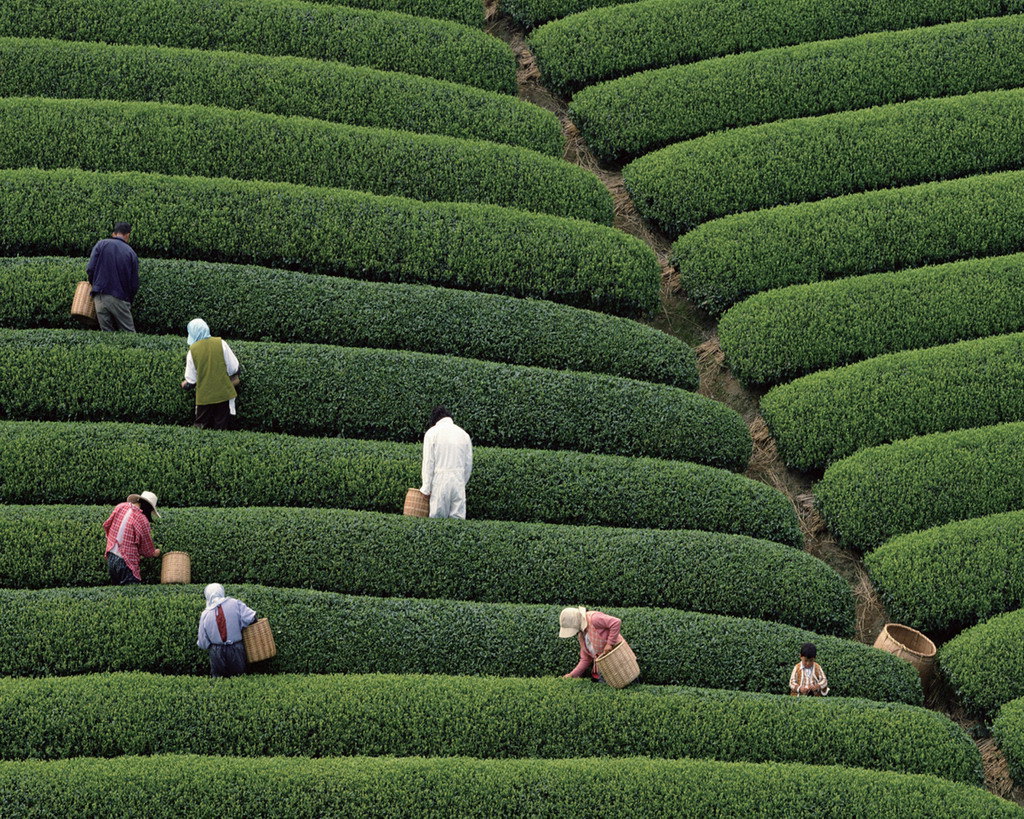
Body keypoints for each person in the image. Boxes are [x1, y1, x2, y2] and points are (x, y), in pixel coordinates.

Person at [180, 318, 240, 430]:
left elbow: (191, 381)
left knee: (201, 428)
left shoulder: (192, 350)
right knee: (221, 429)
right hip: (223, 394)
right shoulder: (221, 343)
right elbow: (234, 368)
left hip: (204, 397)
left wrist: (184, 384)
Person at [419, 406, 472, 519]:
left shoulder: (432, 433)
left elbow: (429, 463)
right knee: (458, 521)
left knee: (437, 521)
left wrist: (426, 488)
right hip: (458, 481)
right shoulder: (463, 434)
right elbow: (468, 464)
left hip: (440, 481)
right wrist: (462, 482)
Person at [196, 583, 258, 678]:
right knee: (239, 678)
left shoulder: (205, 614)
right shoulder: (235, 603)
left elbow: (203, 642)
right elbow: (251, 618)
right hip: (236, 648)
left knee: (218, 681)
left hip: (216, 651)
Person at [87, 221, 139, 332]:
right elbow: (134, 283)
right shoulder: (131, 253)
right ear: (127, 235)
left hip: (99, 296)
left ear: (114, 234)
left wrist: (94, 285)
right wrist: (128, 300)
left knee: (107, 335)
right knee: (129, 334)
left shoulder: (101, 244)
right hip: (119, 298)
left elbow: (90, 269)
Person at [102, 491, 161, 585]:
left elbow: (107, 525)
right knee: (131, 594)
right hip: (126, 562)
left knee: (117, 593)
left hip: (111, 556)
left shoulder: (120, 506)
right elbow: (146, 548)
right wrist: (154, 553)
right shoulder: (142, 519)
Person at [558, 606, 623, 683]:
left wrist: (610, 644)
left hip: (621, 662)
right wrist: (572, 675)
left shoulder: (594, 618)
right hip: (604, 670)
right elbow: (585, 659)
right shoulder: (582, 635)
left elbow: (616, 622)